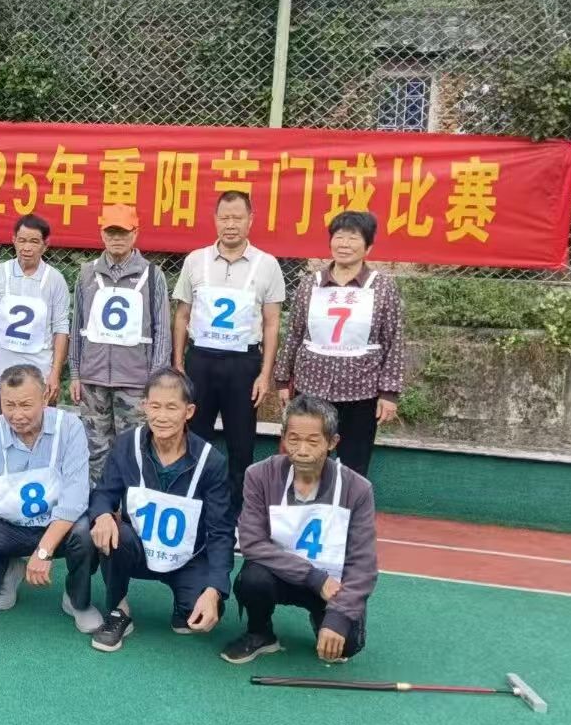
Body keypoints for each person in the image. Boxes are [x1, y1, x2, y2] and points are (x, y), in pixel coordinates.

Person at [221, 394, 378, 664]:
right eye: (293, 439)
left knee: (347, 646)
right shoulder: (259, 475)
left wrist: (339, 615)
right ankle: (260, 633)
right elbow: (252, 543)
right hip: (282, 576)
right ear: (283, 438)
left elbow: (363, 564)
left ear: (332, 442)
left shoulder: (358, 489)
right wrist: (313, 577)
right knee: (251, 580)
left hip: (332, 585)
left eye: (313, 441)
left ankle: (325, 617)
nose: (302, 450)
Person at [0, 364, 100, 633]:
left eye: (26, 405)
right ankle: (6, 577)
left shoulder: (70, 428)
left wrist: (43, 551)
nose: (17, 415)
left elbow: (75, 499)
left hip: (59, 524)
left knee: (87, 533)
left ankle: (78, 599)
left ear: (45, 397)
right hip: (9, 525)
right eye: (9, 405)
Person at [87, 368, 234, 653]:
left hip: (187, 558)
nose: (162, 416)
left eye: (171, 407)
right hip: (136, 549)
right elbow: (103, 492)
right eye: (155, 406)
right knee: (114, 532)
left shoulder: (212, 461)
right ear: (144, 406)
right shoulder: (127, 444)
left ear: (188, 411)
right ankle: (118, 609)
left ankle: (187, 599)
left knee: (193, 621)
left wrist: (215, 589)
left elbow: (221, 531)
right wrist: (102, 514)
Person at [172, 191, 285, 513]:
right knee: (194, 437)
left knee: (241, 442)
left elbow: (272, 323)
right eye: (224, 218)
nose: (230, 224)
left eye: (238, 217)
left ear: (251, 220)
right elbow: (181, 315)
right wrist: (178, 362)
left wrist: (265, 373)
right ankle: (193, 506)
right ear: (215, 220)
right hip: (201, 360)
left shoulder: (267, 264)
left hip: (243, 364)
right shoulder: (195, 260)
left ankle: (236, 513)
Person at [273, 210, 406, 477]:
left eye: (353, 238)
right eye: (339, 237)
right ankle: (300, 502)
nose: (344, 244)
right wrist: (283, 379)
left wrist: (389, 393)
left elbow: (394, 340)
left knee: (353, 466)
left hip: (361, 392)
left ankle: (346, 505)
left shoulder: (382, 287)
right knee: (306, 458)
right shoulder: (310, 284)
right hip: (311, 388)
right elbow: (295, 333)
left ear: (368, 246)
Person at [70, 204, 172, 485]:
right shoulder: (87, 274)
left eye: (123, 232)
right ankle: (100, 503)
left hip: (136, 382)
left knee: (135, 449)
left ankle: (130, 503)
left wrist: (156, 382)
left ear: (135, 233)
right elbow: (78, 327)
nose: (116, 238)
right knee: (96, 450)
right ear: (102, 233)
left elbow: (162, 331)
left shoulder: (152, 275)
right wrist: (76, 373)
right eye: (110, 232)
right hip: (93, 380)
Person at [0, 213, 71, 416]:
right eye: (22, 240)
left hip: (40, 374)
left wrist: (55, 374)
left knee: (37, 429)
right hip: (1, 372)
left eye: (34, 242)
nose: (27, 247)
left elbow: (61, 328)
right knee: (2, 428)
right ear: (13, 240)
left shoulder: (55, 280)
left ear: (45, 245)